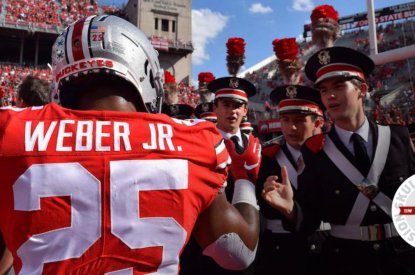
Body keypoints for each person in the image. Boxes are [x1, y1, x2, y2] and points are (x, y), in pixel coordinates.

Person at [0, 15, 259, 274]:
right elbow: (238, 254)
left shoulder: (11, 131)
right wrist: (245, 176)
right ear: (145, 72)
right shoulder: (195, 141)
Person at [262, 46, 415, 275]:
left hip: (403, 258)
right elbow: (310, 220)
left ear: (361, 89)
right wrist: (291, 210)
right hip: (346, 261)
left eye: (338, 86)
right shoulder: (315, 152)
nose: (330, 95)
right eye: (324, 90)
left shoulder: (397, 137)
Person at [180, 76, 261, 275]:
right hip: (205, 247)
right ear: (215, 108)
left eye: (237, 105)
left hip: (249, 244)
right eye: (225, 104)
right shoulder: (198, 142)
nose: (231, 111)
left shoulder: (257, 146)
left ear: (245, 110)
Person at [255, 84, 327, 275]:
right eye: (285, 120)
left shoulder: (332, 155)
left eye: (300, 120)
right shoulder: (267, 158)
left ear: (318, 122)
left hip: (328, 248)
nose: (291, 127)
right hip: (281, 252)